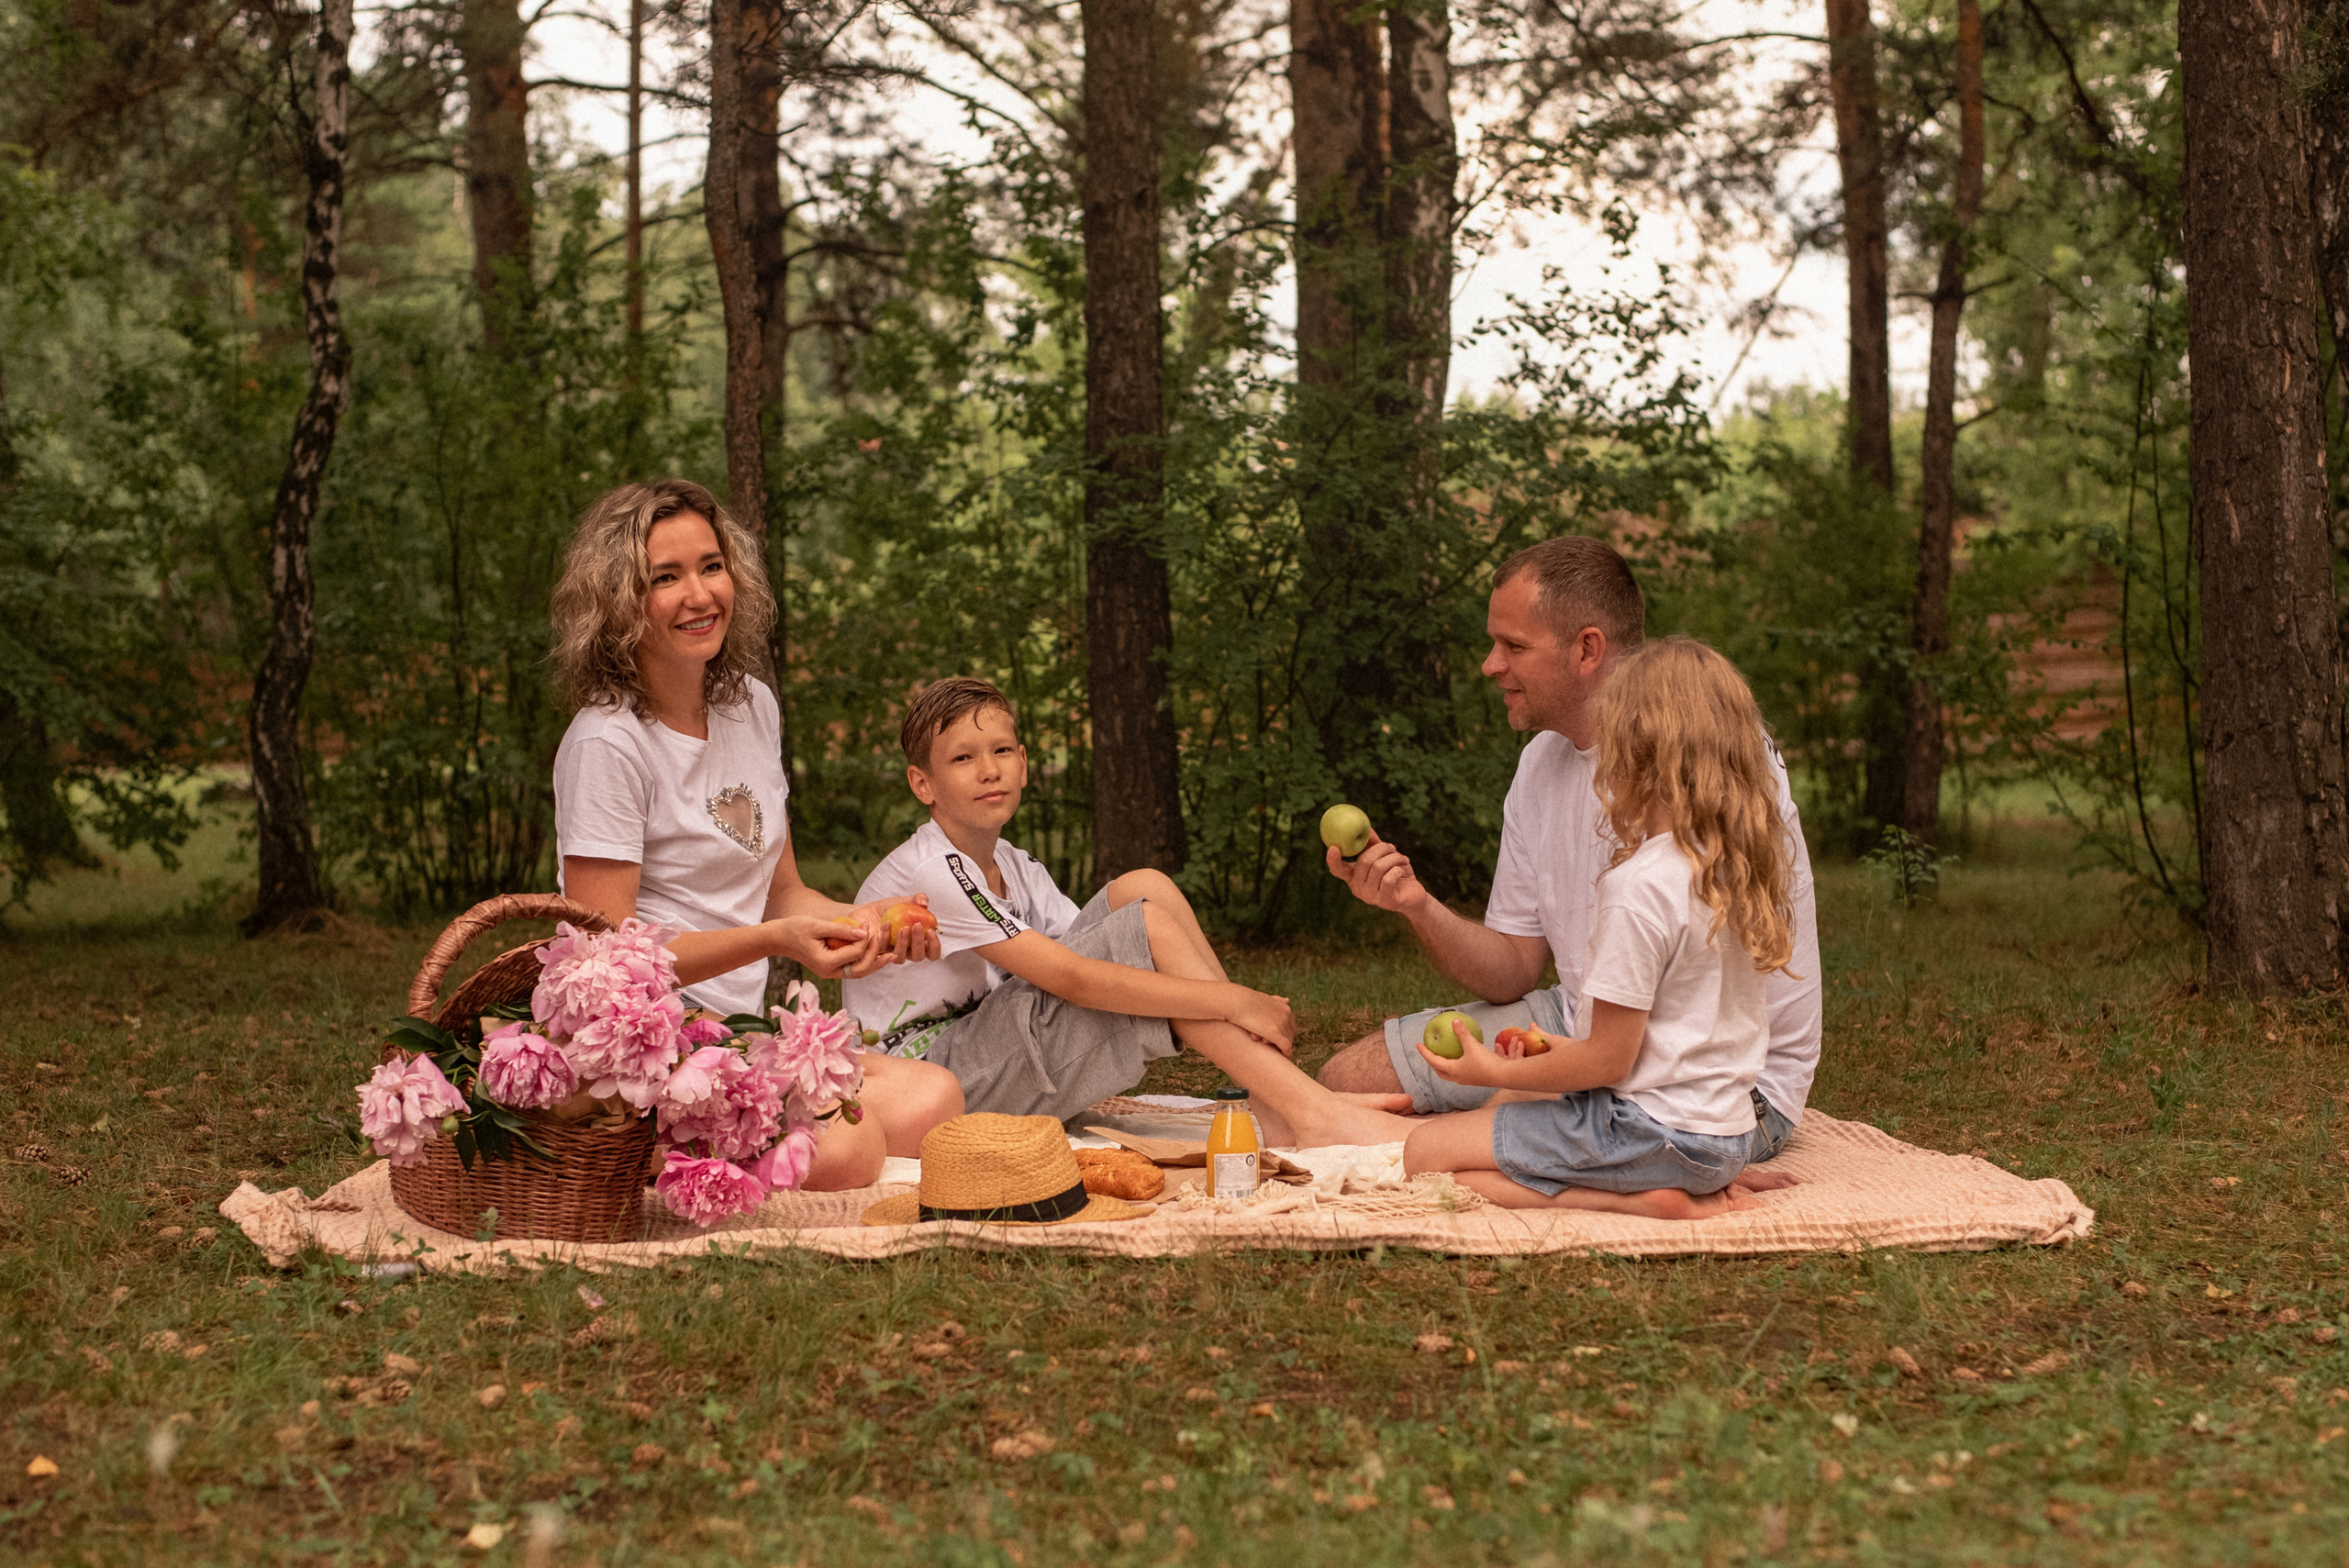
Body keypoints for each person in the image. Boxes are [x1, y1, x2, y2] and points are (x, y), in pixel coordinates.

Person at [1317, 537, 1822, 1169]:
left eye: (1514, 646)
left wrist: (1529, 1087)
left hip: (1711, 1083)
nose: (1489, 665)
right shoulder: (1540, 764)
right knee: (1343, 1079)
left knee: (1441, 1140)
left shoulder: (1707, 760)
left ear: (1587, 648)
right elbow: (1512, 970)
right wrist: (1414, 904)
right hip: (1592, 1022)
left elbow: (1660, 1029)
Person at [548, 478, 964, 1190]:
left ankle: (719, 1142)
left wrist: (870, 926)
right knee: (846, 1153)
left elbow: (783, 894)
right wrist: (776, 944)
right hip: (642, 1054)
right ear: (619, 599)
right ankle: (628, 1152)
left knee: (936, 1100)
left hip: (739, 1036)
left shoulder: (751, 707)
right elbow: (610, 967)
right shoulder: (606, 743)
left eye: (712, 566)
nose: (699, 594)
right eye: (665, 578)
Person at [841, 677, 1418, 1148]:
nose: (988, 770)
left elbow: (1096, 952)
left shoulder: (1014, 864)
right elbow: (1073, 978)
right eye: (962, 758)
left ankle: (1279, 1105)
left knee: (1144, 888)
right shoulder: (932, 871)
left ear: (1022, 762)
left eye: (999, 752)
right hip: (931, 1084)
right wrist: (1237, 999)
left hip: (985, 1052)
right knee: (1144, 928)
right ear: (924, 783)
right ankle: (1309, 1111)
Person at [1400, 637, 1795, 1217]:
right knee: (1496, 1119)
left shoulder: (1640, 886)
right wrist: (1546, 1056)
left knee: (1423, 1154)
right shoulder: (1731, 868)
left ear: (1634, 753)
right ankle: (1676, 1182)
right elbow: (1667, 1038)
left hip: (1650, 1134)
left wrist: (1486, 1070)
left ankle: (1651, 1201)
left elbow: (1608, 1063)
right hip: (1727, 1136)